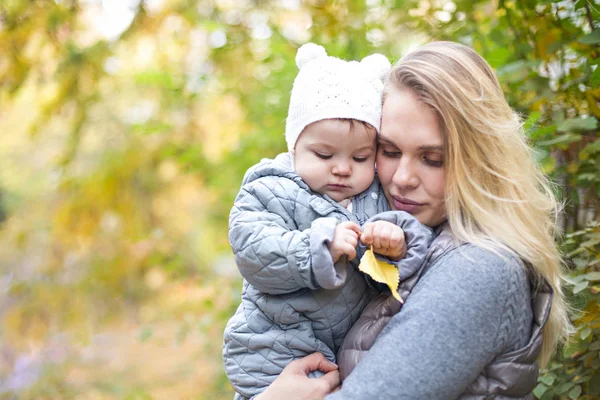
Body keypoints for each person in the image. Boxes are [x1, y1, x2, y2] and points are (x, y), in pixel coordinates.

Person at [254, 41, 571, 400]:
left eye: (432, 159)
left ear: (480, 161)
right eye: (389, 151)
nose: (403, 177)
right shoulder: (405, 244)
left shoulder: (479, 268)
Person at [222, 43, 434, 399]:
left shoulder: (376, 194)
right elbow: (253, 250)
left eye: (360, 156)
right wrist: (319, 245)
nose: (342, 167)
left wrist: (396, 242)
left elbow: (409, 242)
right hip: (276, 343)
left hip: (348, 351)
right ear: (294, 145)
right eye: (324, 154)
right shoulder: (271, 189)